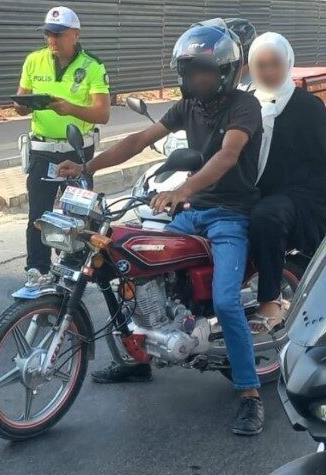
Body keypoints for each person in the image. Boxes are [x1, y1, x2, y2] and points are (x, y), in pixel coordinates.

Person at [56, 24, 267, 436]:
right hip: (193, 211)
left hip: (231, 215)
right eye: (190, 70)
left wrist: (183, 189)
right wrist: (87, 167)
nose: (195, 78)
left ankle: (249, 393)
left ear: (225, 72)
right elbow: (139, 139)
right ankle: (139, 358)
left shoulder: (245, 107)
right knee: (127, 261)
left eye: (204, 71)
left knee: (226, 302)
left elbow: (228, 155)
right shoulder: (189, 105)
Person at [246, 32, 326, 332]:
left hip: (301, 199)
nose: (268, 71)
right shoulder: (246, 104)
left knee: (266, 216)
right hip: (257, 192)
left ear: (288, 64)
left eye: (275, 64)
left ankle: (268, 298)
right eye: (260, 64)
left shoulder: (306, 106)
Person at [15, 6, 111, 290]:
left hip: (77, 150)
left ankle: (76, 266)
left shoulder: (93, 66)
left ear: (75, 34)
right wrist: (23, 105)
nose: (52, 40)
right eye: (48, 33)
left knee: (78, 214)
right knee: (39, 213)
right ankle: (36, 268)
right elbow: (20, 100)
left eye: (58, 34)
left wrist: (69, 108)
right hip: (42, 149)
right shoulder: (34, 61)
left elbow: (102, 114)